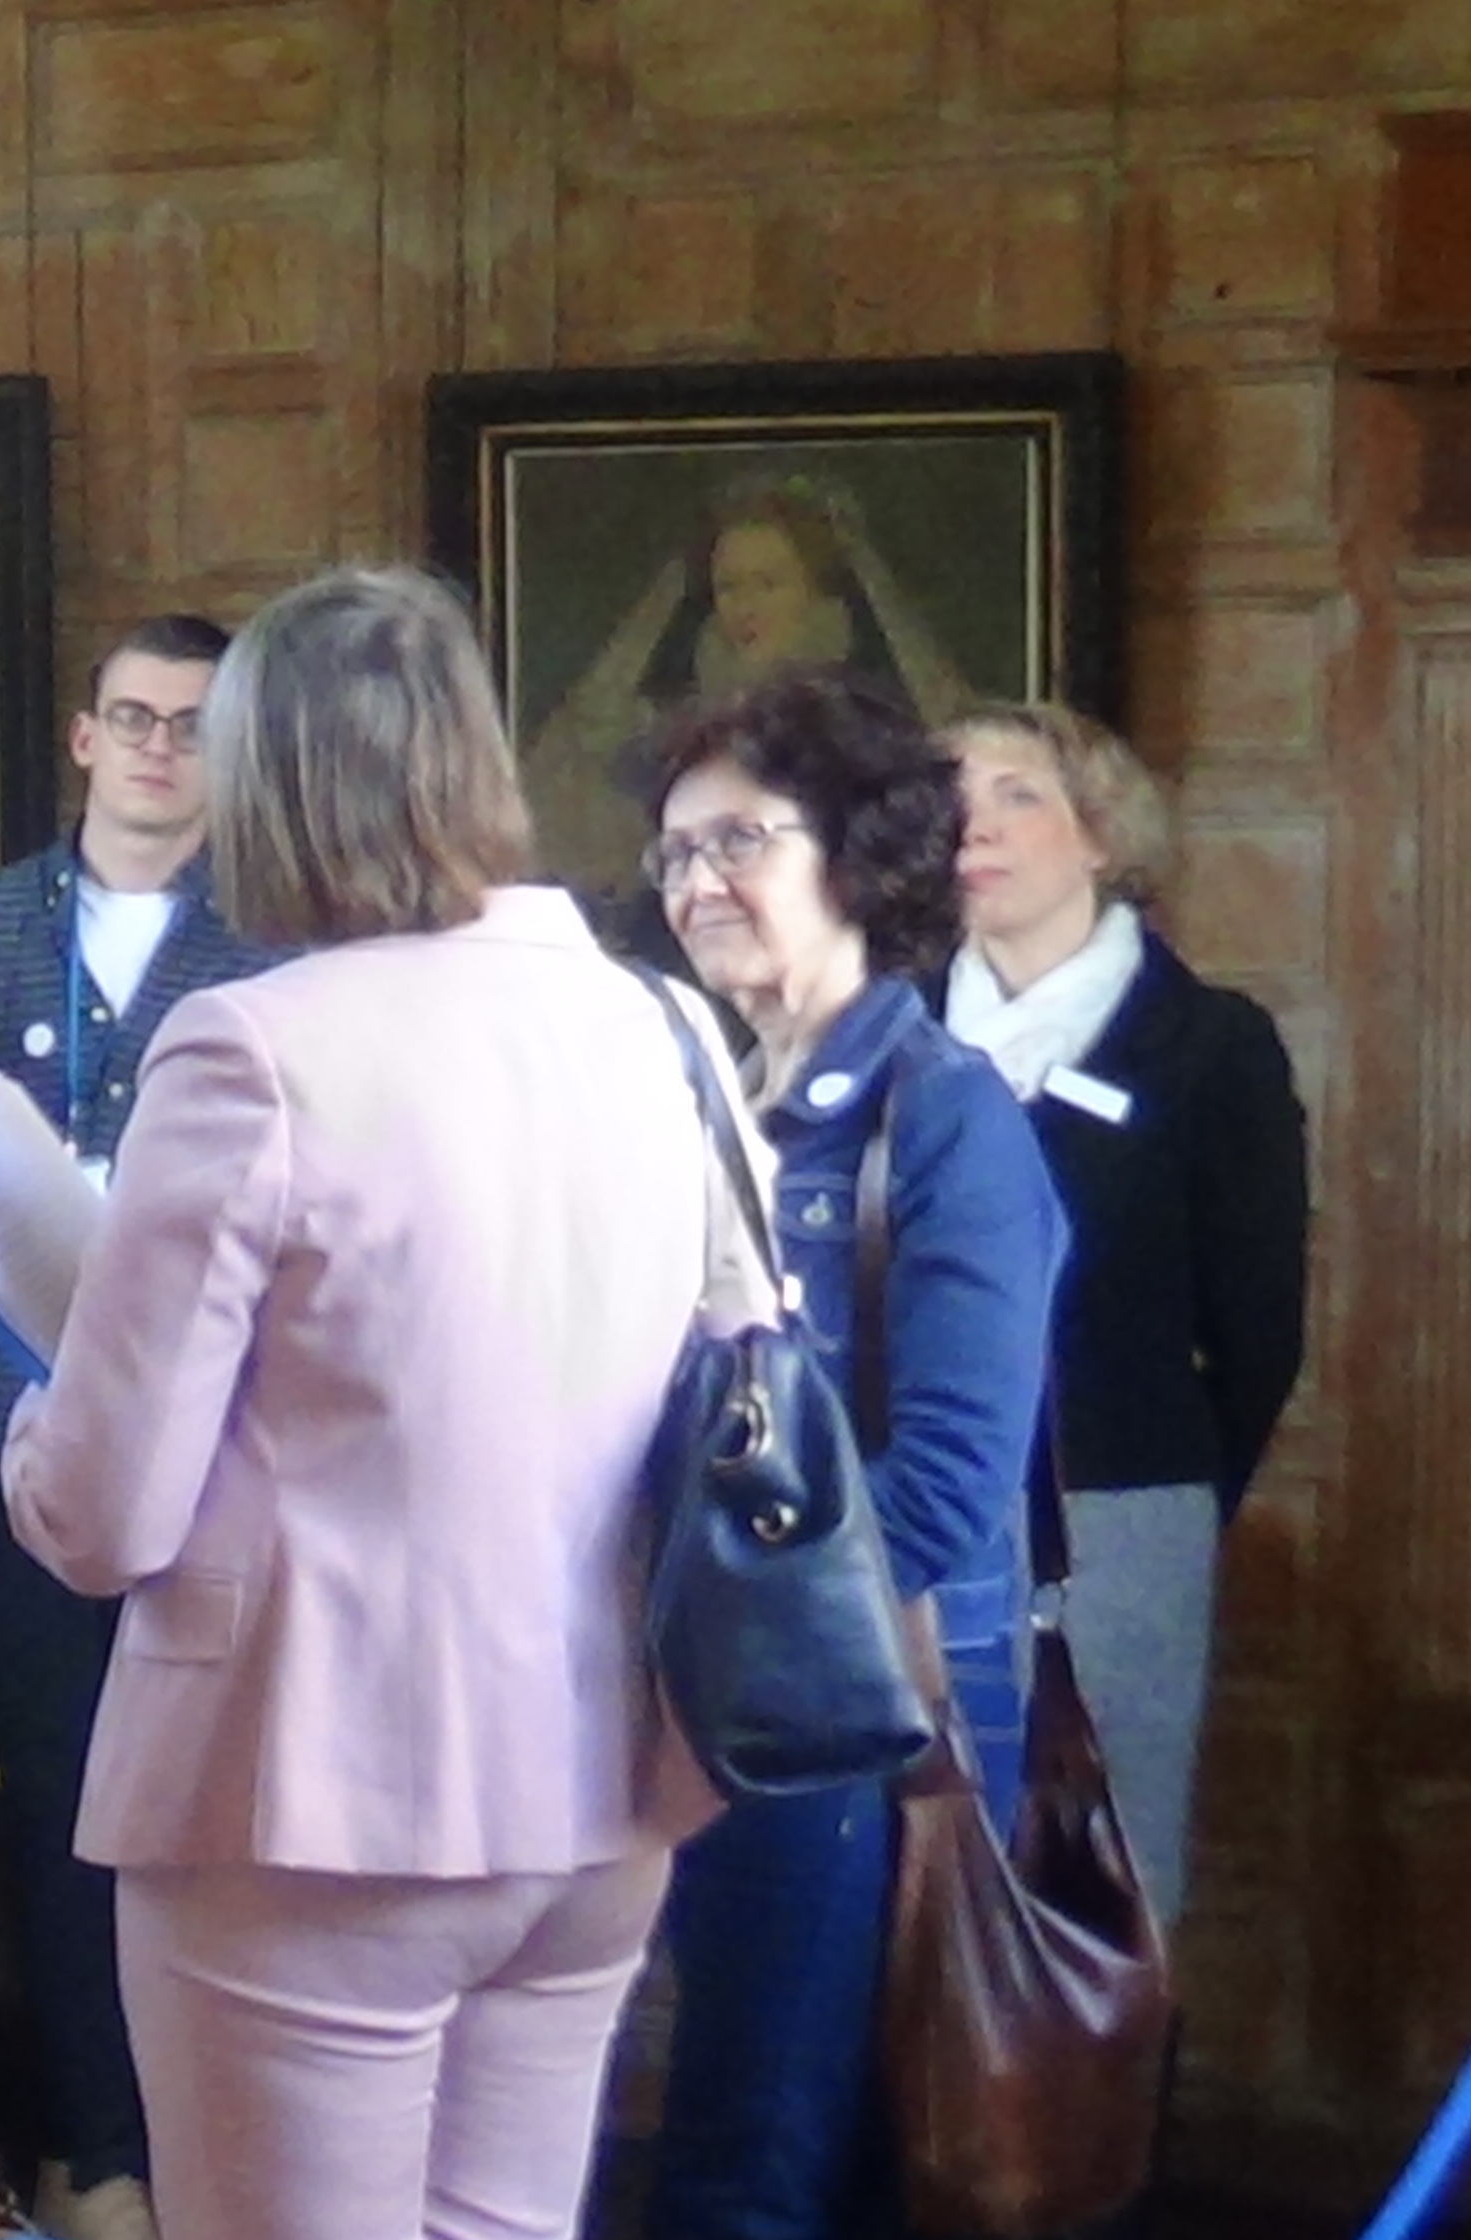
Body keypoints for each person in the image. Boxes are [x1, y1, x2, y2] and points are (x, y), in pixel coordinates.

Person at [0, 565, 723, 2240]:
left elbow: (103, 1519)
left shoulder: (252, 1046)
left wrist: (41, 1421)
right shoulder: (659, 1023)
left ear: (265, 784)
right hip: (600, 1781)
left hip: (315, 1794)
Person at [0, 613, 275, 2240]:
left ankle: (195, 2150)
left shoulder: (268, 939)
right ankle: (92, 2163)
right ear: (84, 739)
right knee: (59, 1805)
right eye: (134, 718)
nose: (161, 747)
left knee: (193, 1810)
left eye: (194, 723)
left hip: (206, 1447)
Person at [642, 667, 1065, 2240]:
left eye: (738, 840)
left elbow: (950, 1486)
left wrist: (735, 1633)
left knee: (760, 2169)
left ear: (862, 858)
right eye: (674, 851)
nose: (696, 882)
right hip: (718, 1712)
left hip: (855, 1720)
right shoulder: (695, 1105)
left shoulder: (944, 1118)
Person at [939, 700, 1309, 1934]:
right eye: (954, 797)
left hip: (1121, 1513)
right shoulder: (888, 1033)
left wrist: (1161, 1486)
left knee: (1106, 1882)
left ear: (1101, 836)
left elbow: (1257, 1330)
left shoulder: (1208, 1044)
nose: (976, 825)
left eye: (1018, 794)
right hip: (913, 1519)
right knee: (919, 1878)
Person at [528, 472, 977, 901]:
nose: (746, 606)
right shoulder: (675, 726)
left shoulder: (867, 718)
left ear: (815, 593)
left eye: (768, 584)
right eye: (729, 587)